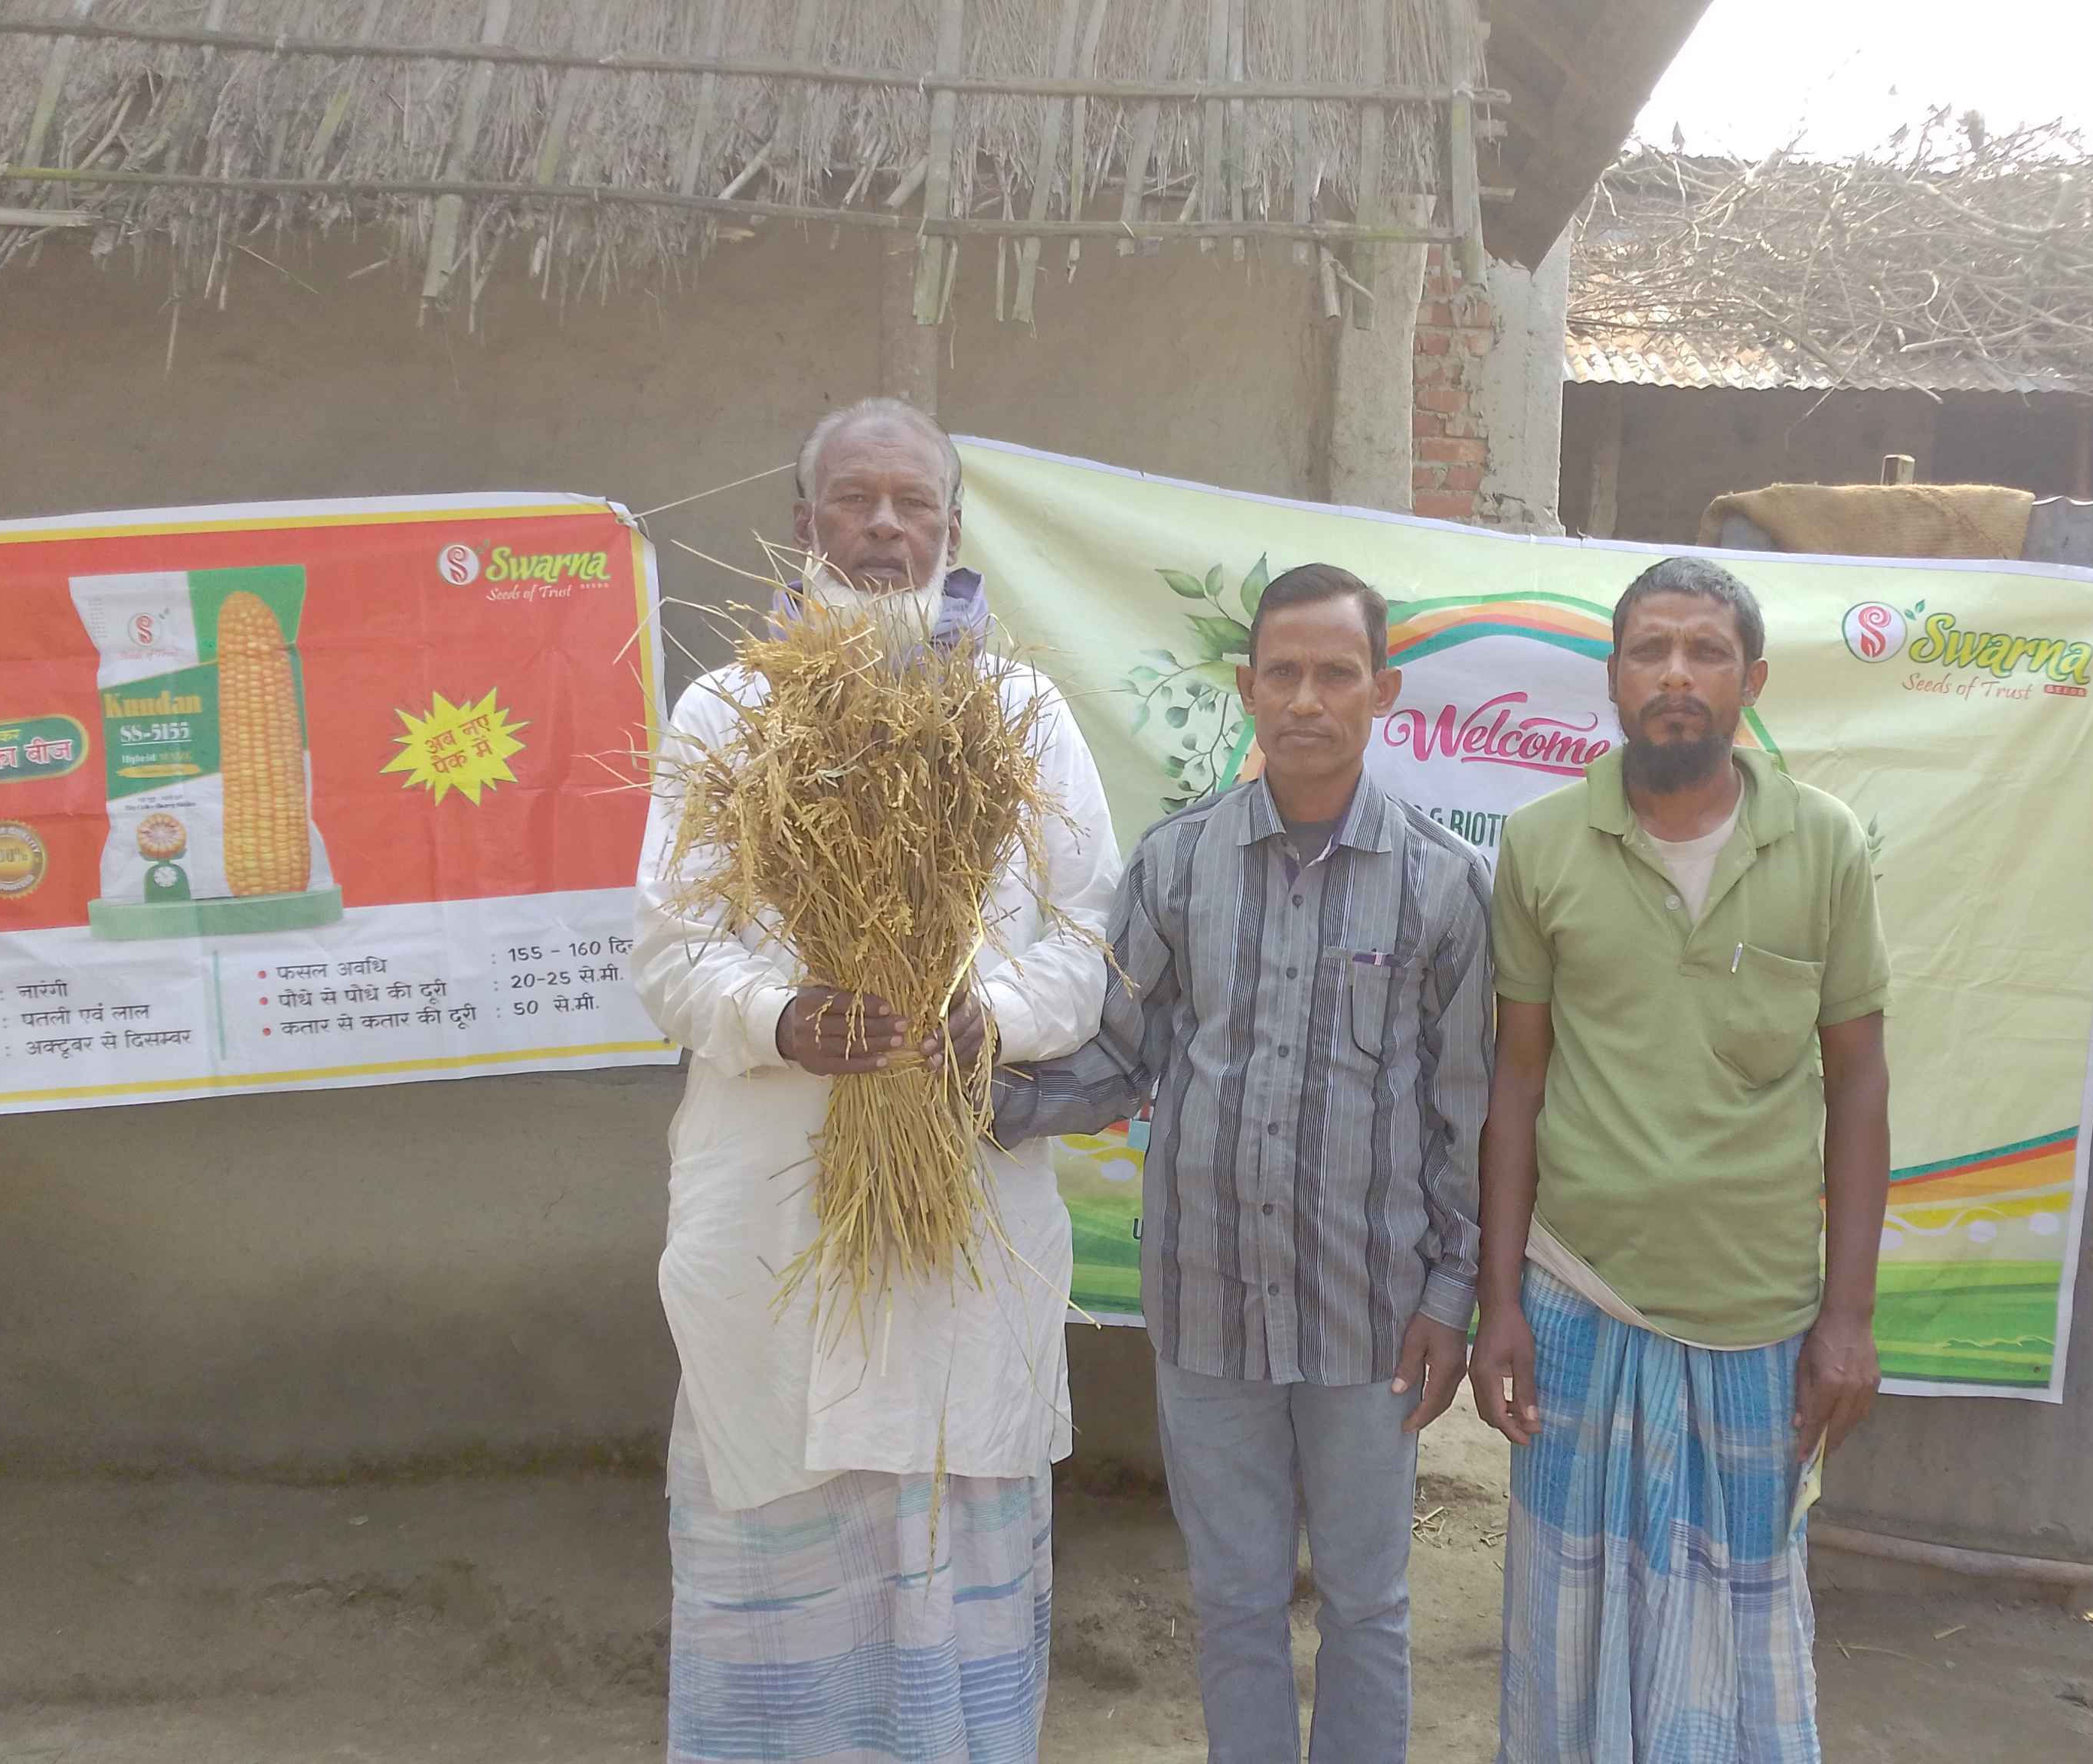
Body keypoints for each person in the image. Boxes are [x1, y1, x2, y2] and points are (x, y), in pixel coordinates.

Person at [634, 397, 1123, 1764]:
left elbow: (1089, 938)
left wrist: (989, 1018)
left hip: (958, 1196)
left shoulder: (1020, 714)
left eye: (914, 504)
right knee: (779, 1527)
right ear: (805, 525)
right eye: (856, 501)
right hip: (776, 1199)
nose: (886, 528)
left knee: (953, 1523)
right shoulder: (730, 714)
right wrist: (784, 1019)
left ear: (954, 530)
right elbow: (670, 954)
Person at [993, 563, 1492, 1762]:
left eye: (1337, 673)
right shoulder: (1177, 866)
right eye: (1284, 673)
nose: (1308, 699)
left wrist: (1450, 1297)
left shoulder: (1444, 883)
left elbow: (1466, 1114)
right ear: (1246, 686)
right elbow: (1119, 1057)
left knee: (1367, 1604)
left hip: (1372, 1316)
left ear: (1384, 691)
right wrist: (970, 1100)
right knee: (1233, 1604)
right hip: (1207, 1307)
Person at [1473, 555, 1892, 1763]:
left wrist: (1849, 1316)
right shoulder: (1542, 845)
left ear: (1750, 682)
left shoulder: (1825, 846)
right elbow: (1517, 1080)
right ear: (1613, 678)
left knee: (1734, 1646)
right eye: (1650, 650)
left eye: (1705, 652)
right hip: (1578, 1294)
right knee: (1570, 1635)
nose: (1675, 675)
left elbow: (1860, 1084)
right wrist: (1500, 1302)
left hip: (1756, 1316)